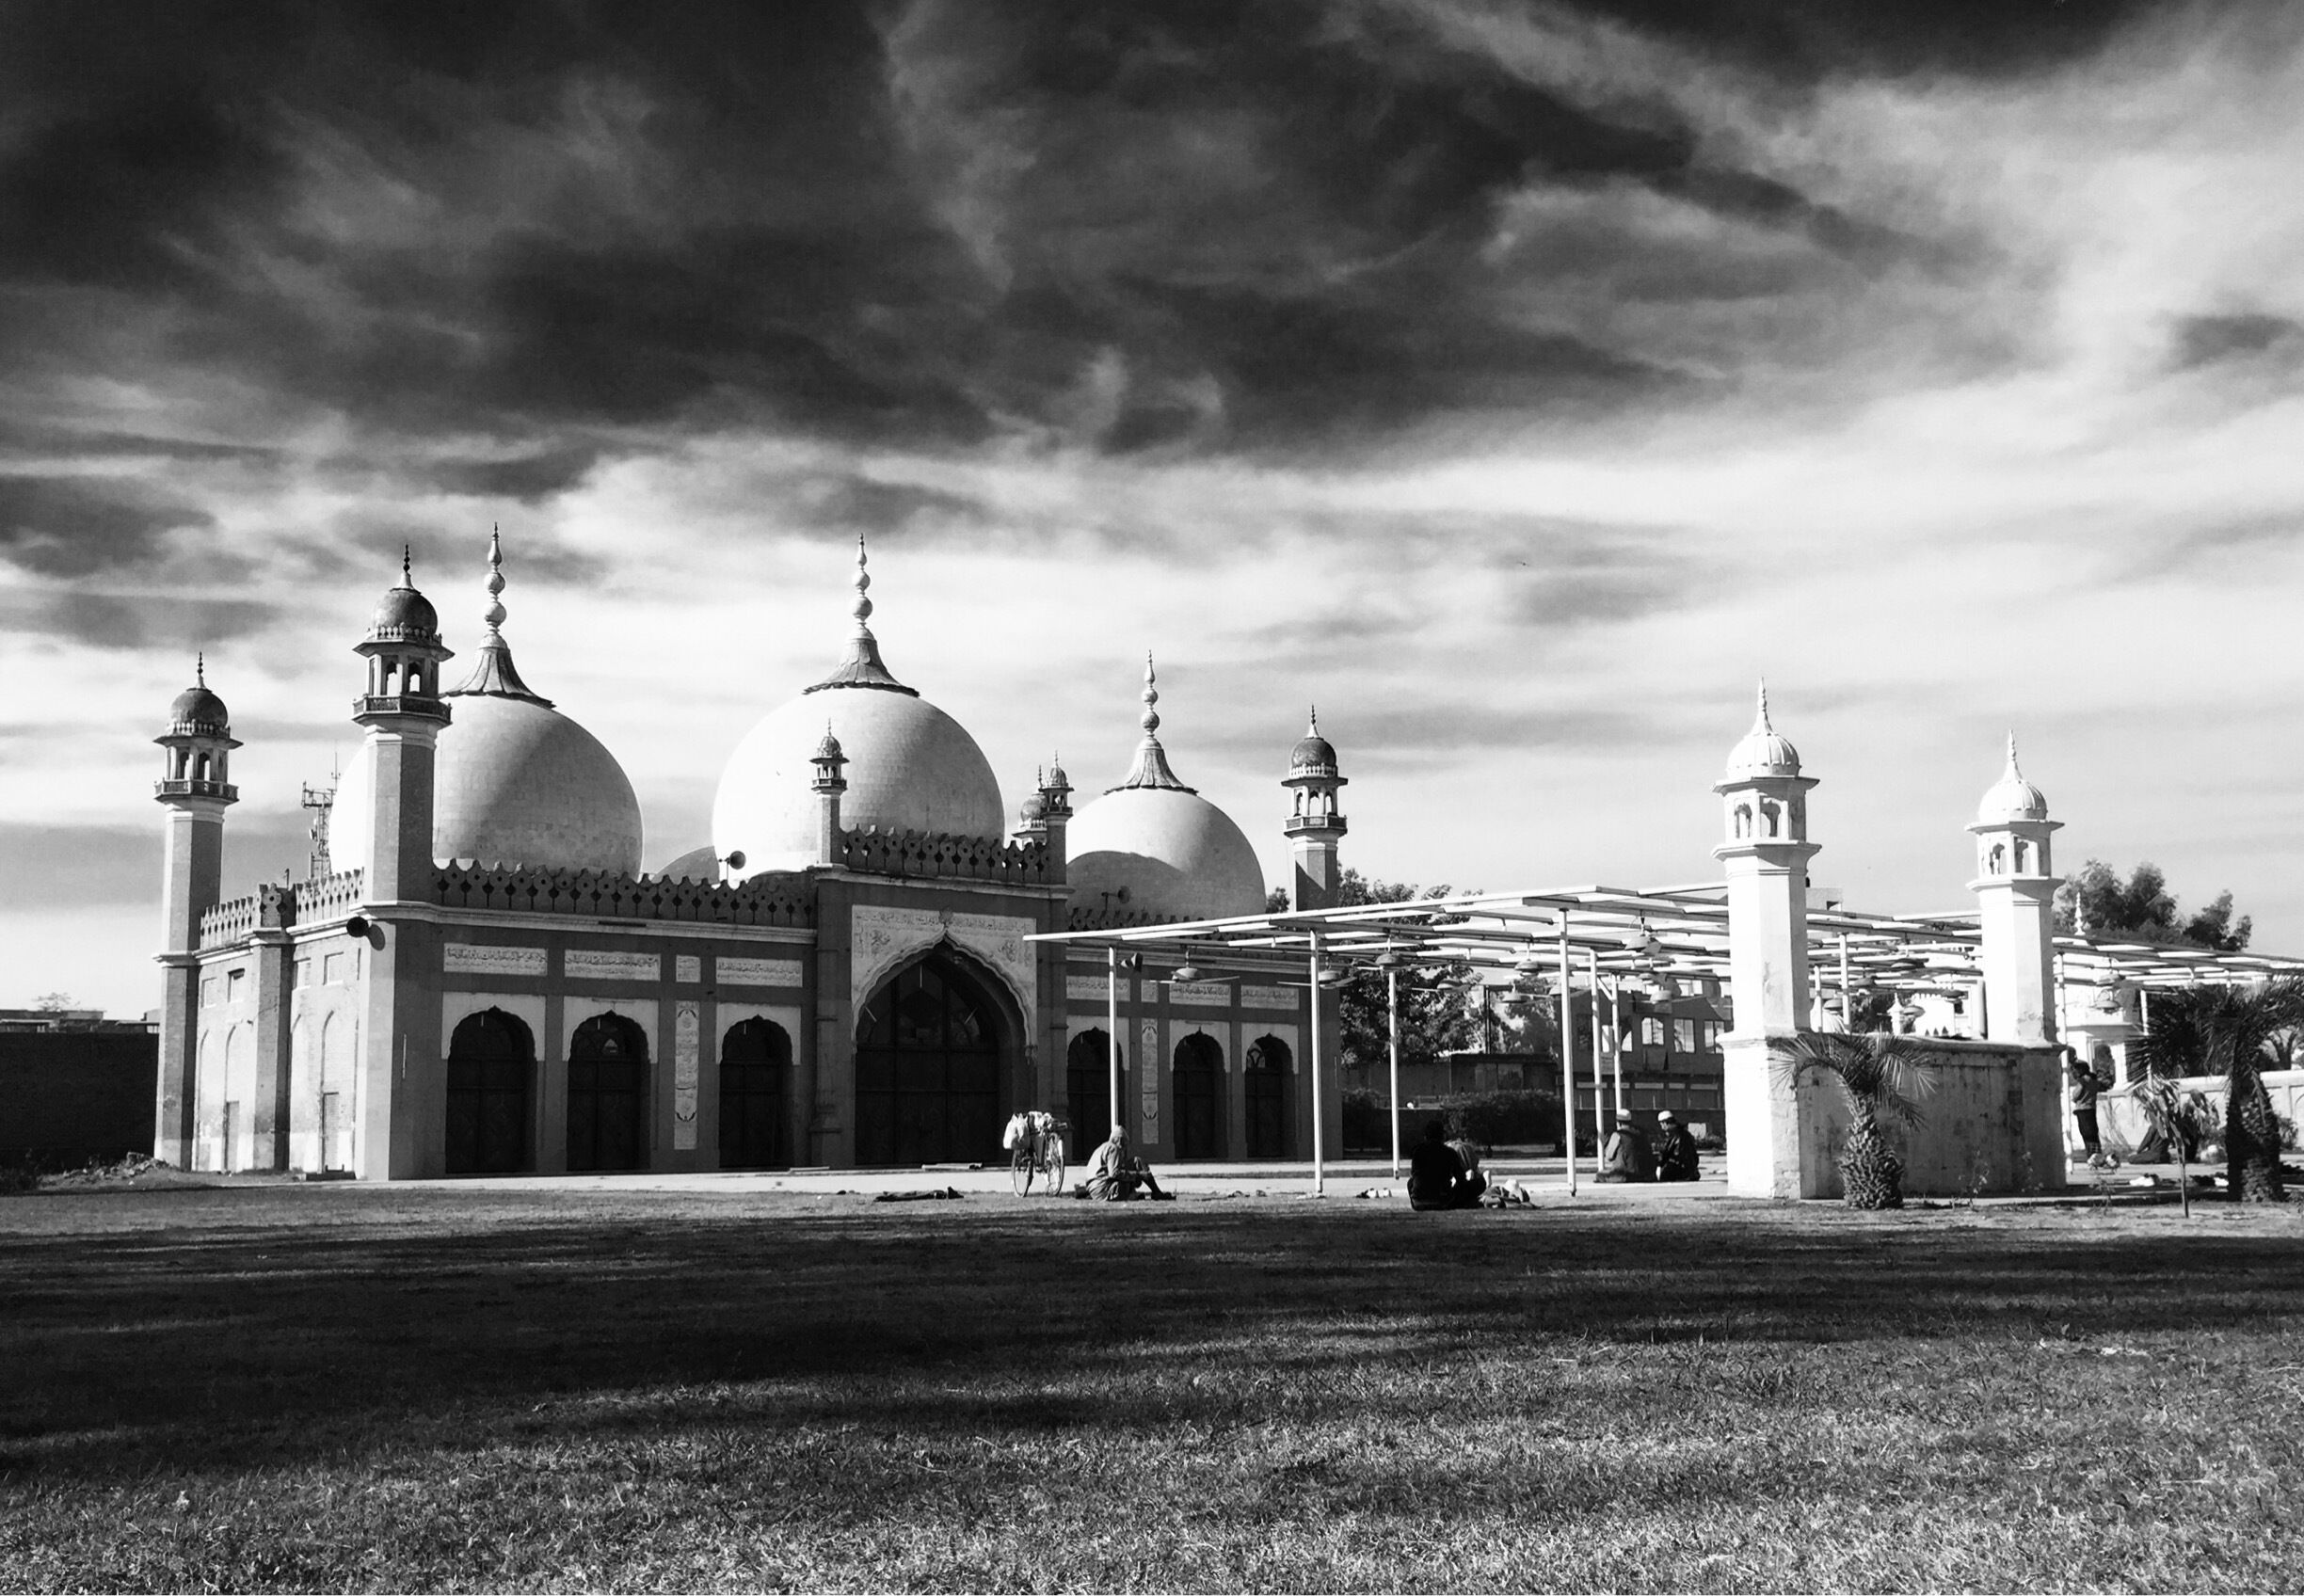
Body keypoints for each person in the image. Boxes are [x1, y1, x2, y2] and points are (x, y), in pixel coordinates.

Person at [1408, 1121, 1486, 1210]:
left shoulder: (1417, 1152)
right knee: (1479, 1183)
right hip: (1443, 1200)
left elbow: (1413, 1176)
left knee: (1410, 1182)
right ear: (1443, 1136)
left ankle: (1418, 1201)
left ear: (1425, 1136)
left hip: (1418, 1201)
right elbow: (1461, 1180)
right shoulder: (1450, 1153)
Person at [1078, 1126, 1171, 1201]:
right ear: (1119, 1140)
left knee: (1136, 1161)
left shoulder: (1103, 1147)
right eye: (1125, 1143)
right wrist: (1138, 1175)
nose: (1125, 1148)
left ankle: (1155, 1192)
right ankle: (1142, 1193)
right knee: (1126, 1176)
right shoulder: (1113, 1148)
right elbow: (1114, 1173)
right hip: (1104, 1190)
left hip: (1096, 1189)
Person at [2068, 1046, 2116, 1170]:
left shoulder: (2084, 1081)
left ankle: (2092, 1157)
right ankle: (2097, 1156)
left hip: (2082, 1109)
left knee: (2087, 1134)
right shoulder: (2094, 1080)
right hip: (2091, 1108)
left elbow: (2075, 1095)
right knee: (2093, 1134)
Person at [1599, 1111, 1652, 1183]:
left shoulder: (1618, 1135)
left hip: (1624, 1174)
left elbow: (1609, 1157)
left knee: (1599, 1175)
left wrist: (1605, 1145)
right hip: (1645, 1175)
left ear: (1619, 1123)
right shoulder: (1642, 1134)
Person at [1654, 1110, 1700, 1182]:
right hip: (1692, 1172)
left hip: (1682, 1173)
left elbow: (1667, 1155)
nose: (1662, 1127)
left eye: (1661, 1124)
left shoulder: (1675, 1135)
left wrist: (1655, 1161)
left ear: (1665, 1123)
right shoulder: (1685, 1133)